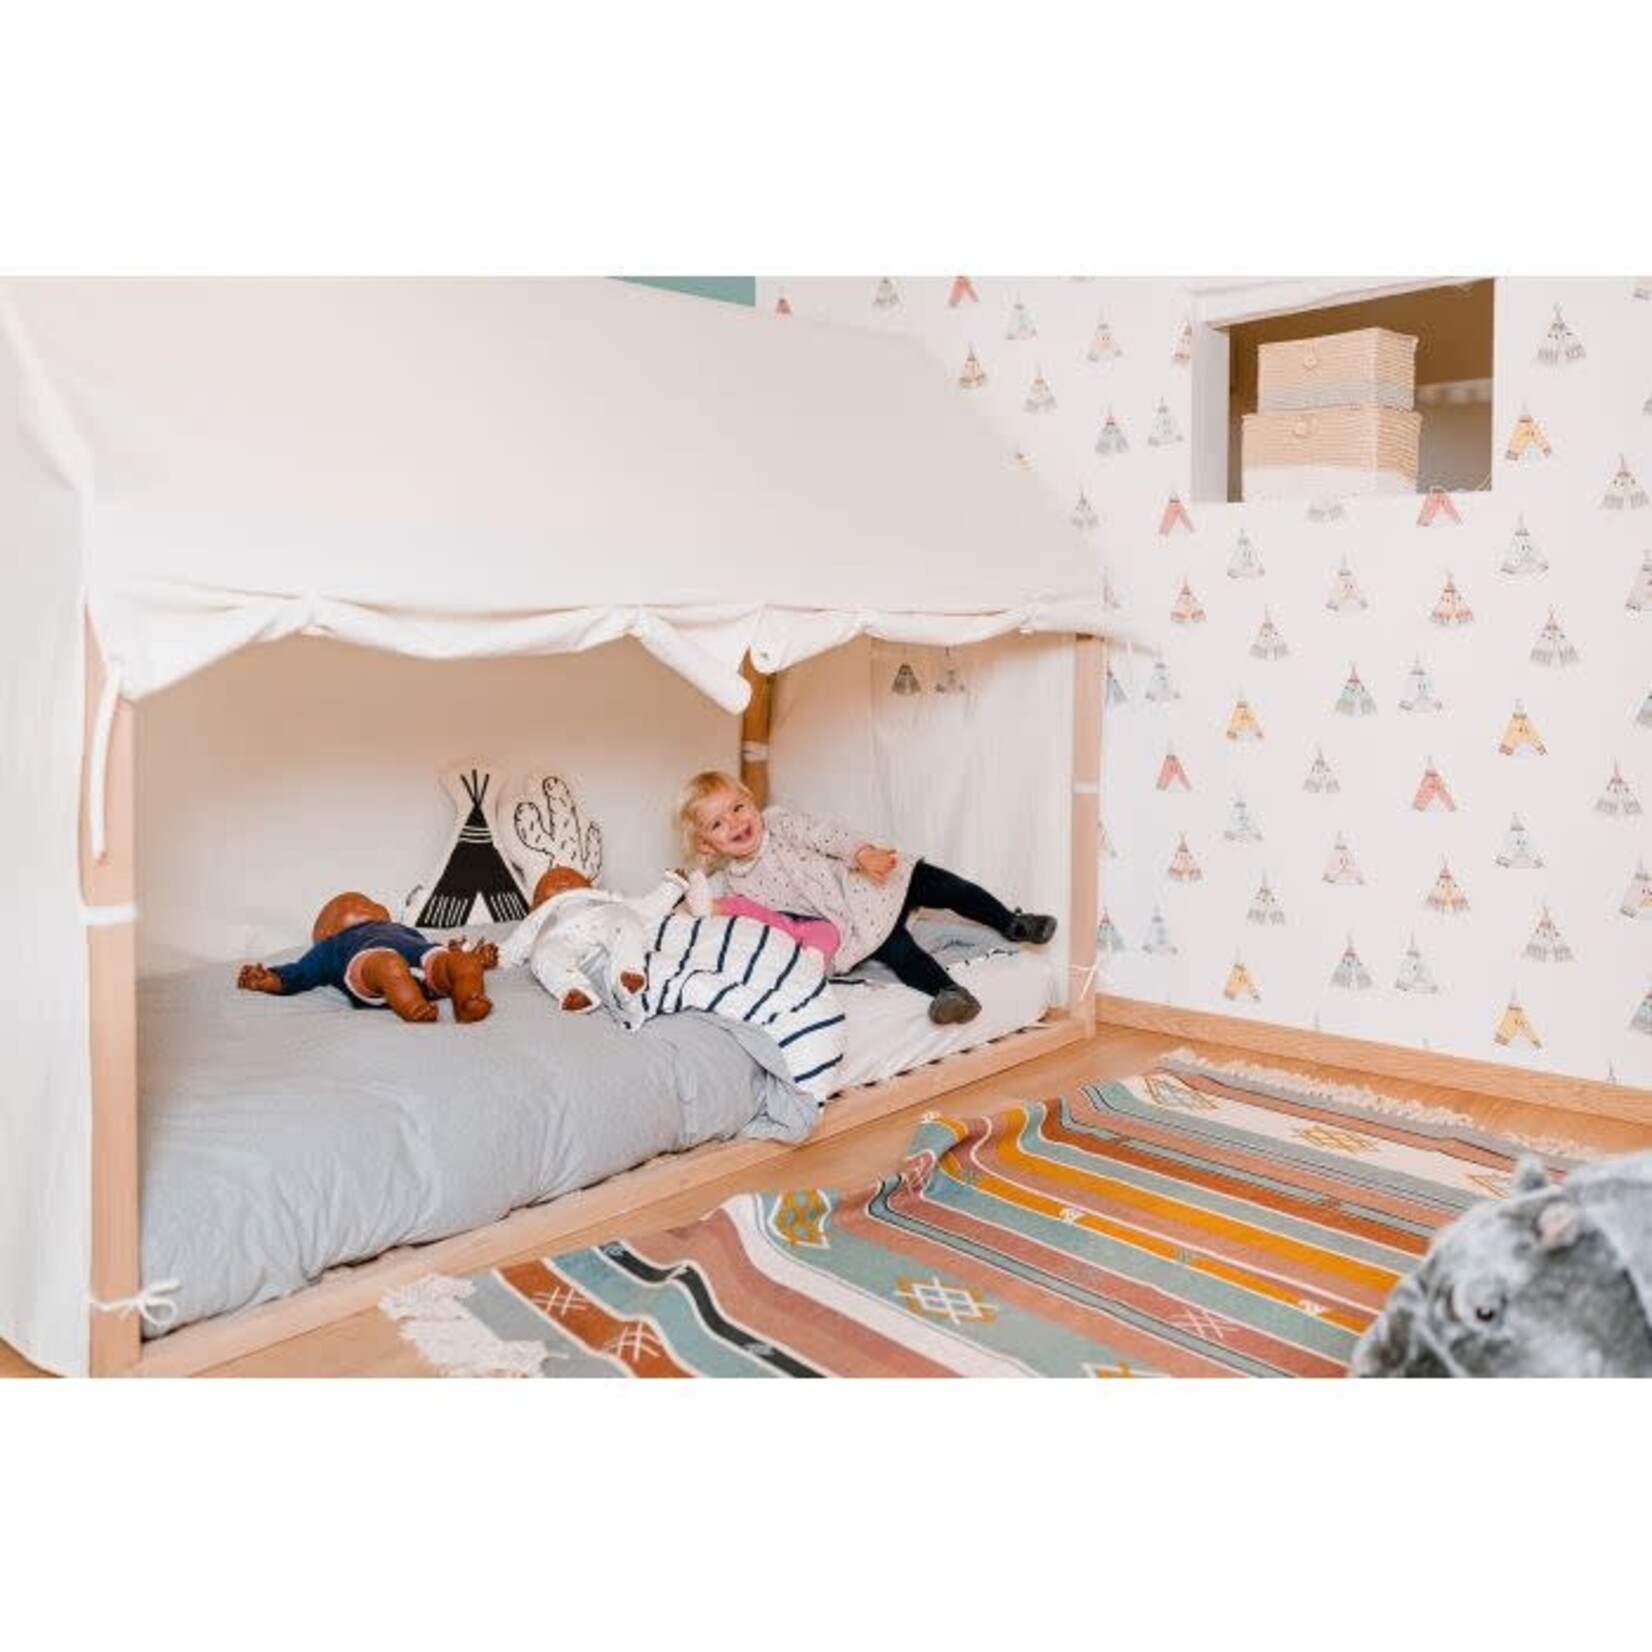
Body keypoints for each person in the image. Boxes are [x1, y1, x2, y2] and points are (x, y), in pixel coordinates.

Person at [675, 771, 1056, 1026]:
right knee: (900, 952)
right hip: (853, 921)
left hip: (864, 880)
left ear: (751, 801)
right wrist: (687, 901)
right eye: (718, 824)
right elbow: (736, 916)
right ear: (707, 846)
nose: (736, 823)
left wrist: (862, 854)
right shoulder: (734, 884)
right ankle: (949, 992)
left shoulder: (778, 823)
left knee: (947, 886)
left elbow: (825, 835)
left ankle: (1011, 922)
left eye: (738, 808)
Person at [237, 890, 497, 1023]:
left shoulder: (400, 929)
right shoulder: (331, 946)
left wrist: (463, 955)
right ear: (325, 932)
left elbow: (425, 946)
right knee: (389, 965)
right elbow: (302, 973)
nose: (362, 904)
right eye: (348, 905)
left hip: (423, 962)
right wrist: (272, 979)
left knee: (459, 964)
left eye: (364, 901)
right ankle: (413, 1006)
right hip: (371, 968)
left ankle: (468, 1000)